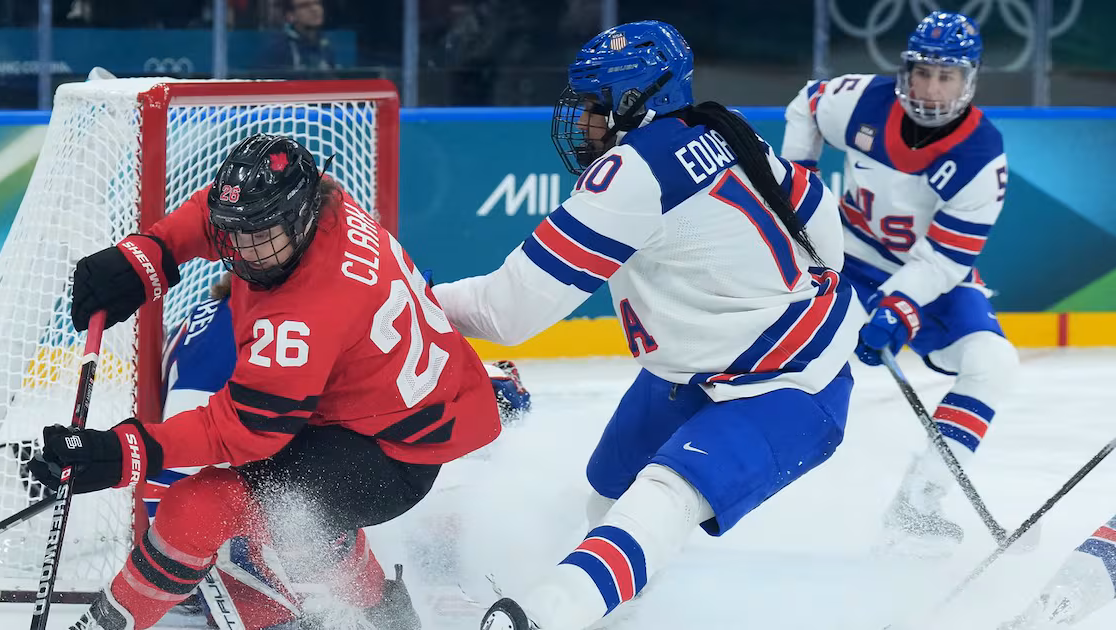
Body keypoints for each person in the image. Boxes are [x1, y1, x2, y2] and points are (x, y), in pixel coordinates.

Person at [428, 20, 862, 630]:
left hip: (785, 384)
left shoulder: (634, 171)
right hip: (691, 368)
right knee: (608, 492)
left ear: (637, 102)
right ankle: (616, 606)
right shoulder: (721, 126)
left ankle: (544, 615)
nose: (581, 123)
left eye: (594, 107)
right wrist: (828, 292)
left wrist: (408, 300)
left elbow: (508, 311)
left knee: (664, 495)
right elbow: (813, 203)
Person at [29, 133, 503, 630]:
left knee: (196, 509)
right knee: (292, 510)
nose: (241, 249)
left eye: (259, 234)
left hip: (391, 455)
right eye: (235, 231)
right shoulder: (316, 200)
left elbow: (241, 431)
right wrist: (147, 256)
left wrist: (121, 452)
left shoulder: (304, 317)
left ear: (299, 217)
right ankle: (383, 612)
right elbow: (221, 217)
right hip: (390, 408)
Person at [138, 272, 529, 628]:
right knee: (300, 513)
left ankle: (370, 595)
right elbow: (172, 477)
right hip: (215, 490)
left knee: (314, 496)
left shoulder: (245, 318)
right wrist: (189, 559)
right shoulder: (245, 338)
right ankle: (364, 593)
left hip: (239, 472)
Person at [781, 10, 1019, 552]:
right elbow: (807, 104)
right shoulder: (862, 101)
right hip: (844, 255)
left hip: (927, 273)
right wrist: (799, 187)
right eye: (923, 72)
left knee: (993, 364)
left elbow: (942, 261)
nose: (932, 89)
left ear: (970, 80)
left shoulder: (982, 156)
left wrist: (898, 307)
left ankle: (918, 503)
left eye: (947, 76)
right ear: (905, 71)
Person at [1000, 515, 1116, 629]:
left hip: (1098, 555)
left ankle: (1023, 624)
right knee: (1052, 610)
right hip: (1100, 556)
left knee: (1050, 609)